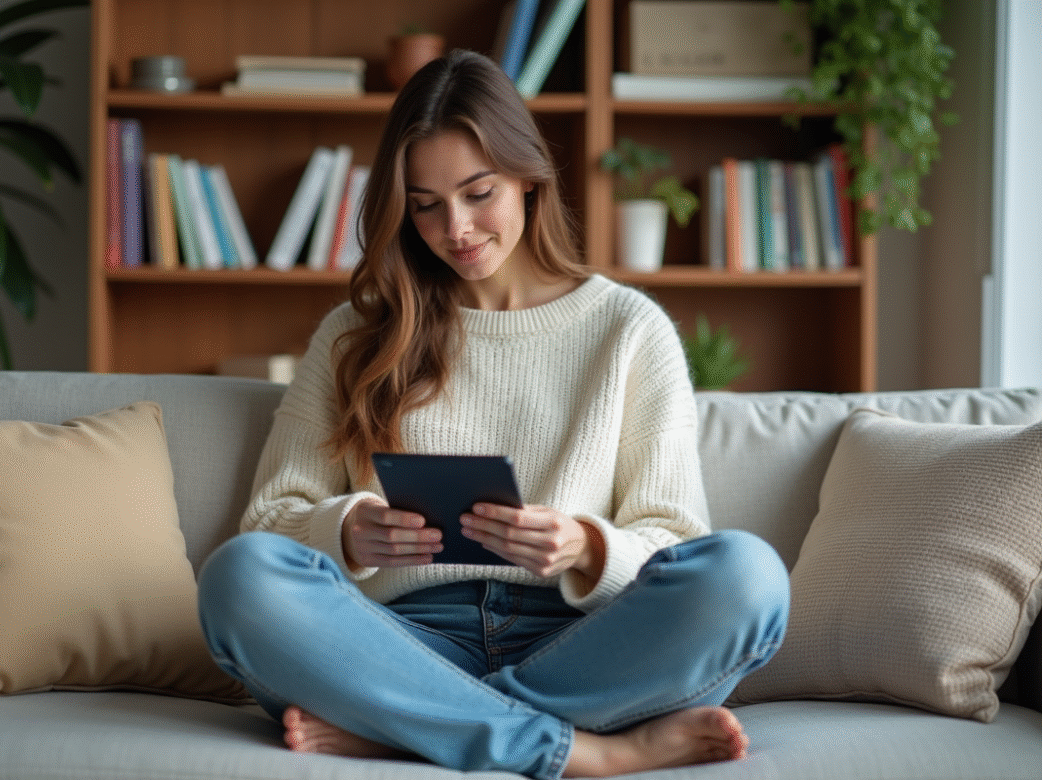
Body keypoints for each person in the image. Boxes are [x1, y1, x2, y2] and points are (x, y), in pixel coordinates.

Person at [197, 49, 789, 780]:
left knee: (749, 578)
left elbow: (676, 541)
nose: (457, 228)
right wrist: (347, 531)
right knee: (239, 578)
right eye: (425, 205)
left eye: (480, 193)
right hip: (397, 640)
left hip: (579, 642)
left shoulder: (628, 329)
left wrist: (584, 547)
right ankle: (576, 750)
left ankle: (413, 728)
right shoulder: (355, 335)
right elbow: (267, 526)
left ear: (527, 177)